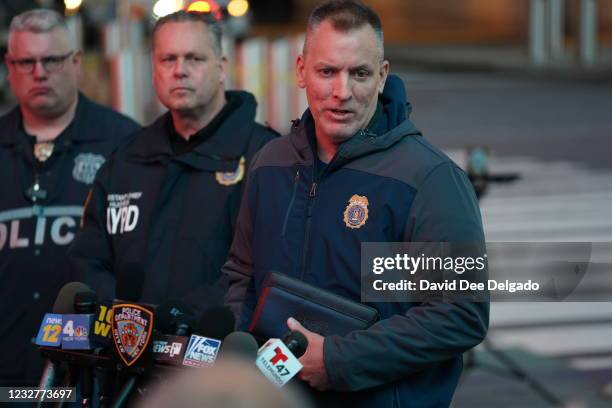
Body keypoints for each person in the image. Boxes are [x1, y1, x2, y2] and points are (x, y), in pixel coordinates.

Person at [222, 1, 489, 407]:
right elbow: (242, 276)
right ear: (300, 71)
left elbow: (458, 314)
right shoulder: (270, 164)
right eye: (327, 71)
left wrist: (338, 360)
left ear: (382, 76)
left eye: (359, 73)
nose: (342, 92)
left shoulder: (429, 179)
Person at [69, 11, 277, 307]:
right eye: (168, 59)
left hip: (219, 348)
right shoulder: (128, 156)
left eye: (194, 58)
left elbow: (265, 270)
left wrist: (180, 323)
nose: (180, 70)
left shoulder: (265, 156)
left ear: (221, 68)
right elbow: (89, 258)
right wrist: (122, 317)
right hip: (127, 345)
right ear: (153, 70)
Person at [0, 9, 139, 386]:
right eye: (26, 62)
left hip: (87, 367)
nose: (39, 72)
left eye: (52, 60)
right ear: (9, 67)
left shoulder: (125, 144)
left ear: (76, 63)